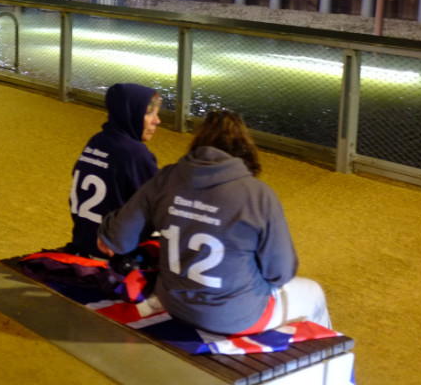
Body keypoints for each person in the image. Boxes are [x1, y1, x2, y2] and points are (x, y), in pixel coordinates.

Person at [97, 109, 331, 335]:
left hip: (175, 304)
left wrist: (109, 228)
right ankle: (327, 364)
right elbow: (280, 273)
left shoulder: (166, 179)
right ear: (244, 149)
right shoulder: (258, 194)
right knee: (314, 292)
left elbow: (119, 239)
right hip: (236, 316)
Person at [65, 83, 162, 259]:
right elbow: (162, 204)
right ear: (129, 115)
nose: (157, 120)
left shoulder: (96, 141)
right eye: (149, 114)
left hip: (82, 242)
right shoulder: (136, 154)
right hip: (112, 253)